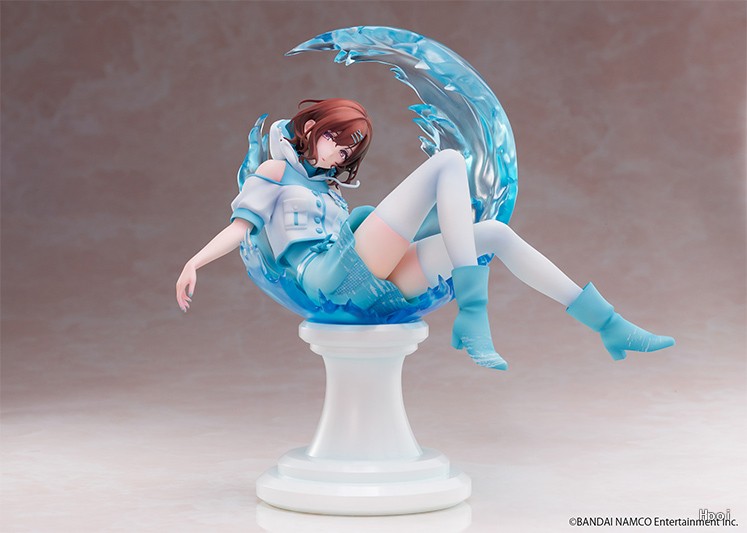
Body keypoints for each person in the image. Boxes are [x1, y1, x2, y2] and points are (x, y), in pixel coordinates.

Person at [176, 98, 674, 370]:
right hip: (327, 277)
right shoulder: (275, 172)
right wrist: (193, 263)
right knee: (448, 162)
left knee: (494, 233)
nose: (339, 154)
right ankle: (473, 316)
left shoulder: (329, 189)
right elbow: (241, 228)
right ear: (310, 127)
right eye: (334, 139)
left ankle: (608, 325)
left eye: (348, 151)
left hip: (363, 279)